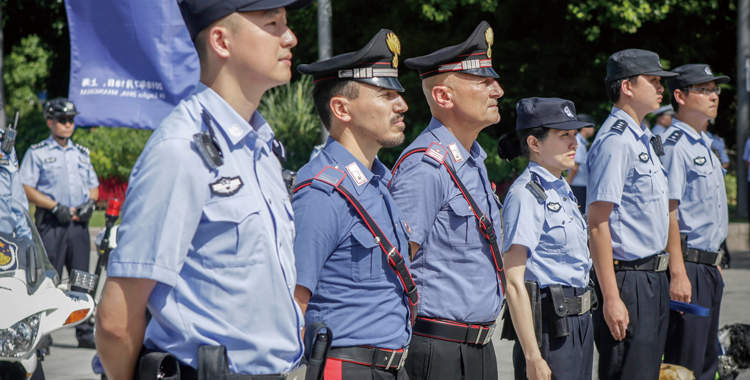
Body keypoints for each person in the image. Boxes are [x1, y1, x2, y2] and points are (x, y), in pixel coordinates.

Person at [95, 1, 311, 379]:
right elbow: (117, 320)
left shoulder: (260, 148)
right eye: (272, 23)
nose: (289, 37)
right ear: (221, 41)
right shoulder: (181, 149)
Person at [292, 29, 416, 380]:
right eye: (386, 95)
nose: (402, 105)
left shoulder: (378, 183)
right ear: (341, 108)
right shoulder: (323, 193)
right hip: (348, 369)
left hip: (389, 366)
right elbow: (295, 301)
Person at [388, 21, 504, 380]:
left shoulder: (472, 161)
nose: (497, 90)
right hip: (438, 352)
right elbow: (394, 269)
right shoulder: (425, 167)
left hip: (479, 347)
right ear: (443, 97)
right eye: (483, 82)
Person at [586, 48, 689, 380]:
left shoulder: (643, 138)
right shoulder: (616, 141)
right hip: (627, 278)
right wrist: (612, 298)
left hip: (651, 277)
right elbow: (598, 223)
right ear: (627, 86)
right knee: (627, 371)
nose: (660, 88)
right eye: (654, 80)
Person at [500, 98, 595, 380]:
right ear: (535, 143)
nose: (574, 143)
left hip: (579, 323)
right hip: (550, 330)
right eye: (563, 135)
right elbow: (514, 280)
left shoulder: (560, 188)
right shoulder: (526, 195)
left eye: (574, 135)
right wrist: (533, 355)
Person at [660, 64, 729, 380]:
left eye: (715, 90)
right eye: (704, 90)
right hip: (688, 269)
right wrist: (678, 272)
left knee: (706, 361)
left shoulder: (706, 143)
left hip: (707, 268)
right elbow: (669, 211)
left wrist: (713, 260)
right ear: (680, 96)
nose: (713, 96)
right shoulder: (676, 145)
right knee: (684, 365)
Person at [18, 97, 98, 348]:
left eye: (71, 120)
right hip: (52, 224)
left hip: (78, 226)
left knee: (82, 278)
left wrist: (90, 204)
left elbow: (93, 186)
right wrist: (54, 206)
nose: (68, 125)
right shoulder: (38, 152)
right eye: (62, 120)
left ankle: (84, 330)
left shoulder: (81, 153)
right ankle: (43, 332)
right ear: (50, 122)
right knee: (49, 280)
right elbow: (25, 186)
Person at [566, 113, 595, 213]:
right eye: (592, 126)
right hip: (576, 186)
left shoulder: (581, 142)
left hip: (578, 185)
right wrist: (568, 185)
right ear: (585, 128)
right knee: (578, 214)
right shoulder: (578, 143)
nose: (593, 130)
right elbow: (575, 167)